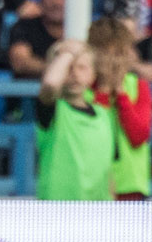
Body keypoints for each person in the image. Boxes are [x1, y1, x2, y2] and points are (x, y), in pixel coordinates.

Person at [35, 39, 113, 200]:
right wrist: (67, 54)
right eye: (68, 68)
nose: (75, 74)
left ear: (93, 73)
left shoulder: (103, 115)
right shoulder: (53, 110)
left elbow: (109, 171)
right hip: (58, 208)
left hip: (98, 209)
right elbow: (50, 85)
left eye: (82, 67)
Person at [88, 17, 152, 201]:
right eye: (105, 54)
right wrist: (103, 91)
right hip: (92, 184)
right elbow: (90, 136)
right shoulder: (82, 89)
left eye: (119, 53)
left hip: (130, 186)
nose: (113, 62)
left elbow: (139, 136)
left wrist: (120, 94)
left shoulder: (138, 86)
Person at [7, 0, 65, 78]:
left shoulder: (86, 29)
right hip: (30, 88)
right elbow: (20, 62)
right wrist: (63, 71)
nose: (56, 2)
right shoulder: (24, 26)